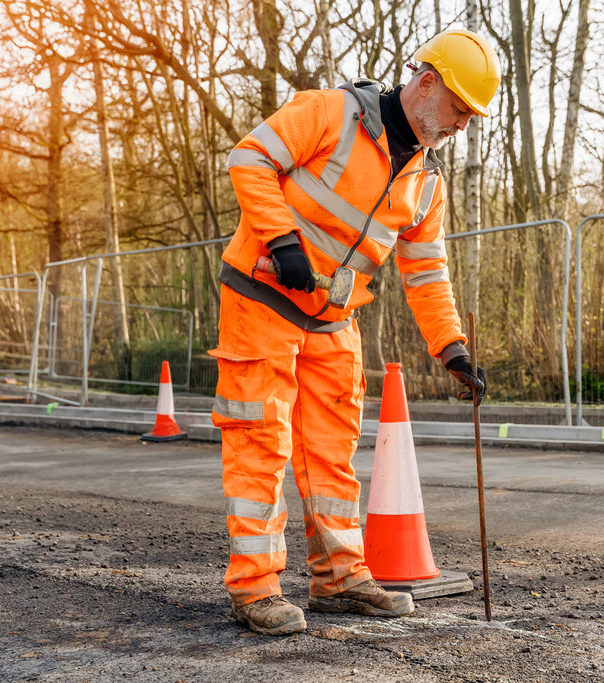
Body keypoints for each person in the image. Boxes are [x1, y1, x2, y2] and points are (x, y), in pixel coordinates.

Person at [211, 29, 500, 636]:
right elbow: (249, 158)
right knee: (260, 443)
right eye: (458, 110)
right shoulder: (332, 113)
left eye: (471, 118)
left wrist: (450, 346)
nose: (461, 126)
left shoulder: (425, 184)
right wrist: (282, 240)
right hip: (262, 295)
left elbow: (425, 272)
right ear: (426, 84)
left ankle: (339, 579)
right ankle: (256, 589)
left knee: (332, 454)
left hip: (333, 316)